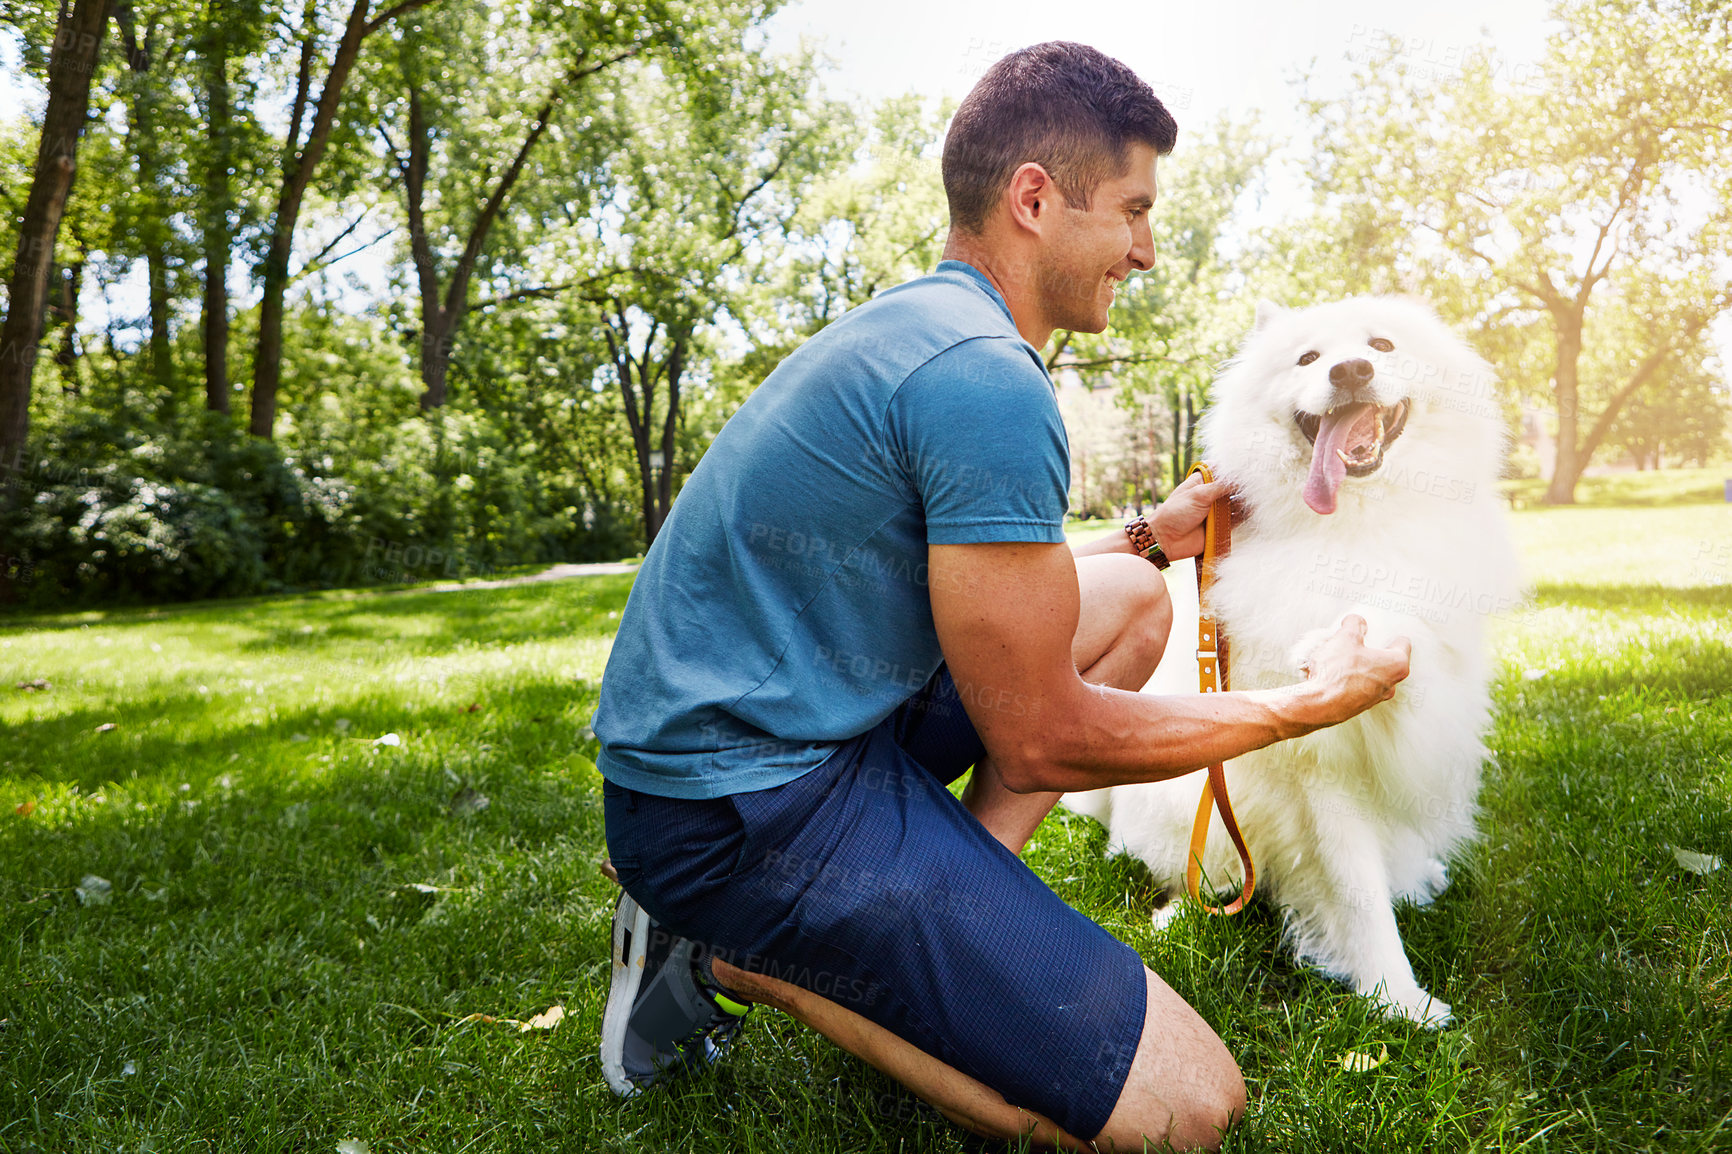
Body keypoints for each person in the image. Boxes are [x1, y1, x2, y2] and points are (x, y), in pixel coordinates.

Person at [591, 41, 1412, 1152]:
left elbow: (971, 578)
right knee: (1186, 1110)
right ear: (1035, 197)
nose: (1147, 250)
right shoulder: (985, 378)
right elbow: (1045, 738)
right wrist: (1315, 699)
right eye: (1131, 210)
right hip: (736, 812)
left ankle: (935, 907)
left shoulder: (930, 327)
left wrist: (1148, 539)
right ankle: (735, 945)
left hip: (777, 741)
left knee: (1128, 594)